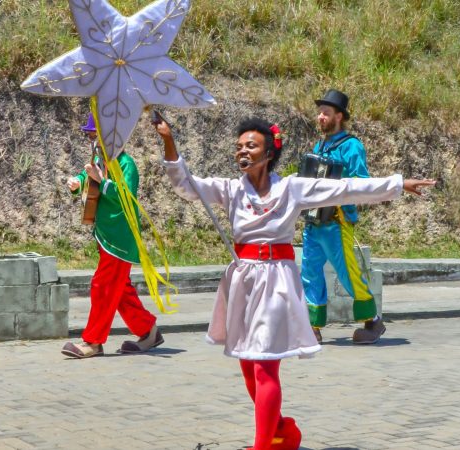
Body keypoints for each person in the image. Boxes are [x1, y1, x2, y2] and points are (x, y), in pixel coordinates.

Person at [154, 116, 434, 450]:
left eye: (251, 145)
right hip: (243, 281)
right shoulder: (229, 189)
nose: (243, 151)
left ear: (268, 152)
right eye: (239, 146)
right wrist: (168, 140)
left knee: (265, 368)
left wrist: (398, 183)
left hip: (276, 282)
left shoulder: (291, 188)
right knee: (248, 367)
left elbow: (345, 189)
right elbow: (186, 185)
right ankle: (282, 432)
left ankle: (263, 446)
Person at [60, 113, 163, 358]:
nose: (91, 138)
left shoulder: (126, 164)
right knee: (120, 290)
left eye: (94, 134)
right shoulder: (100, 160)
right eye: (90, 135)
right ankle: (148, 331)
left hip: (120, 239)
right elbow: (90, 178)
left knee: (103, 286)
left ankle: (93, 341)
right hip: (105, 235)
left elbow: (126, 196)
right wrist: (78, 181)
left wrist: (101, 181)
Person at [301, 88, 392, 345]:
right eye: (319, 112)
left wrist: (336, 184)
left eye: (325, 113)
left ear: (339, 116)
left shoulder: (352, 146)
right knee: (309, 273)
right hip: (313, 222)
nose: (320, 117)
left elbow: (362, 182)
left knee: (348, 273)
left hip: (337, 222)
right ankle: (313, 326)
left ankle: (372, 320)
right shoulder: (319, 146)